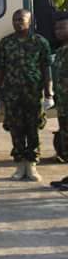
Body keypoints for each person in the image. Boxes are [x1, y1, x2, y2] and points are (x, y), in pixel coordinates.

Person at [0, 9, 54, 182]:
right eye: (15, 19)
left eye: (21, 19)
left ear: (30, 21)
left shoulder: (40, 42)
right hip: (12, 94)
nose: (18, 22)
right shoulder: (5, 43)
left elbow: (46, 69)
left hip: (33, 93)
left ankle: (32, 165)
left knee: (33, 128)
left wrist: (49, 94)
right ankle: (19, 166)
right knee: (16, 129)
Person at [50, 16, 68, 189]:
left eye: (63, 28)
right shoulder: (61, 51)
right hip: (63, 104)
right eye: (57, 29)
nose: (59, 32)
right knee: (66, 141)